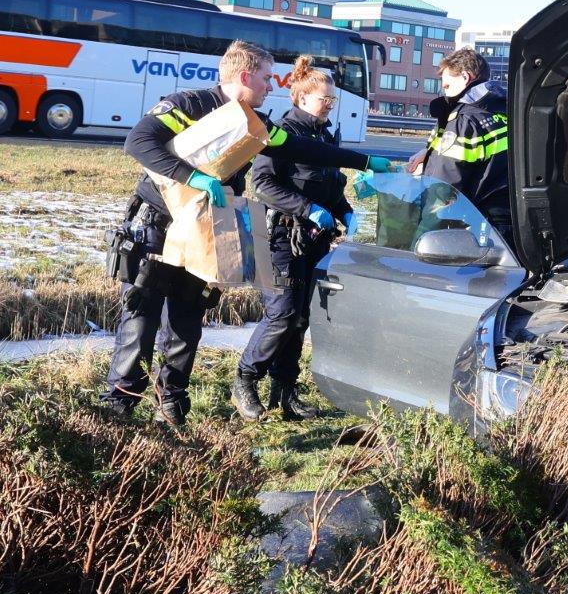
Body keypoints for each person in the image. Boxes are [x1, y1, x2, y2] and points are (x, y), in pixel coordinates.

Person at [102, 40, 393, 426]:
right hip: (159, 228)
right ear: (243, 76)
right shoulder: (189, 105)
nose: (271, 86)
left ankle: (170, 404)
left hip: (205, 231)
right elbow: (138, 141)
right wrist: (194, 177)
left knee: (187, 323)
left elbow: (304, 149)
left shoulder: (255, 124)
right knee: (141, 321)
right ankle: (118, 408)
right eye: (265, 78)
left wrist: (364, 161)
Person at [232, 57, 355, 421]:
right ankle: (245, 379)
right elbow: (264, 184)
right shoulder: (283, 132)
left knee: (301, 317)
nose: (329, 105)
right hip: (281, 236)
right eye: (324, 99)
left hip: (313, 239)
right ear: (301, 99)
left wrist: (342, 208)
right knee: (282, 313)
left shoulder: (324, 135)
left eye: (333, 100)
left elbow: (329, 185)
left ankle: (285, 392)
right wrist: (306, 208)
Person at [406, 48, 510, 240]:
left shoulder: (465, 120)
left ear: (464, 77)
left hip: (480, 225)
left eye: (447, 86)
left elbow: (444, 188)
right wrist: (429, 153)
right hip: (513, 221)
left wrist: (421, 237)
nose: (445, 92)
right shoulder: (506, 111)